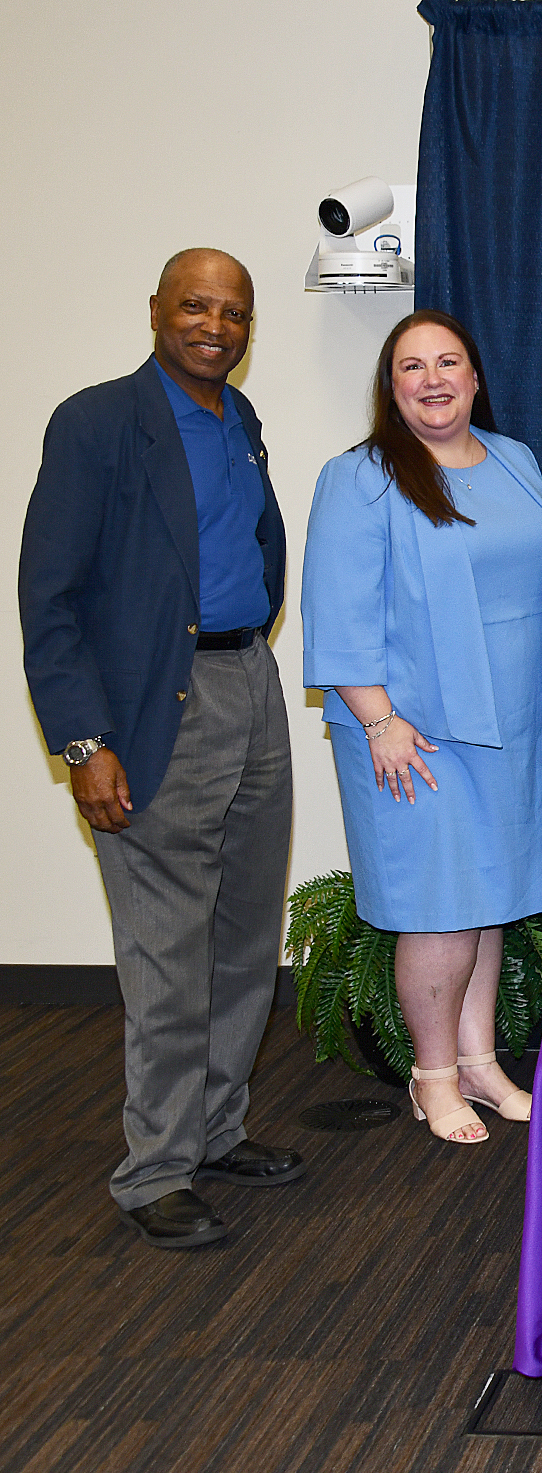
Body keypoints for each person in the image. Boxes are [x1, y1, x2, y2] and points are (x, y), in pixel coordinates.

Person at [19, 248, 303, 1249]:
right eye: (195, 305)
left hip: (249, 688)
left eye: (232, 311)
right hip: (152, 708)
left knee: (240, 937)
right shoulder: (97, 423)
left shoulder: (241, 421)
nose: (213, 324)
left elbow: (250, 549)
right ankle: (155, 1170)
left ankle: (216, 1132)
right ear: (156, 310)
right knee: (166, 951)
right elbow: (48, 602)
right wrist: (84, 740)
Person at [304, 310, 542, 1145]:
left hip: (511, 724)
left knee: (490, 902)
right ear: (391, 386)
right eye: (411, 367)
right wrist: (378, 721)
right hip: (412, 733)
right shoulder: (362, 477)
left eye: (448, 362)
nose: (432, 379)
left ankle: (481, 1063)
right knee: (439, 911)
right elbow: (335, 615)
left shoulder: (515, 461)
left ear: (476, 377)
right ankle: (433, 1077)